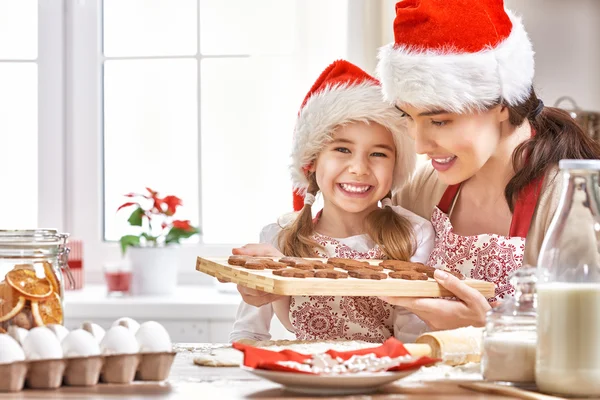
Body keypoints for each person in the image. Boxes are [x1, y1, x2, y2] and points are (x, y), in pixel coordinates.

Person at [374, 0, 600, 331]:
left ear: (503, 104)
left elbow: (588, 346)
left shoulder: (577, 203)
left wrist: (491, 326)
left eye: (439, 122)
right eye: (408, 116)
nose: (420, 146)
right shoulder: (421, 189)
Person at [229, 60, 435, 343]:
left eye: (378, 154)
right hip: (305, 381)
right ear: (312, 161)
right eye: (342, 149)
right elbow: (248, 334)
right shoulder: (279, 241)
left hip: (381, 379)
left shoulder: (413, 235)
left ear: (396, 166)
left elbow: (413, 338)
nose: (359, 168)